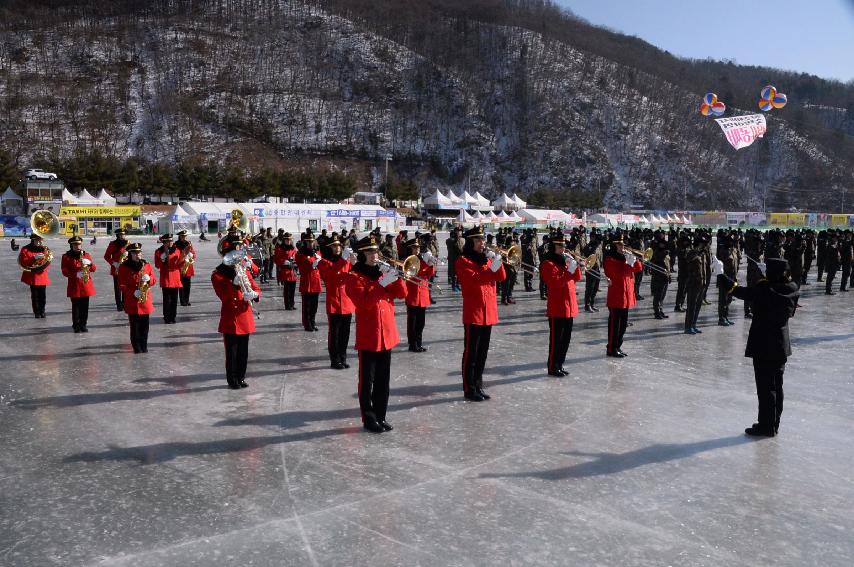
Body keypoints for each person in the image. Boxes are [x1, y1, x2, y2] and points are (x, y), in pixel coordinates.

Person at [345, 235, 407, 433]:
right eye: (370, 252)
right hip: (369, 334)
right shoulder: (354, 277)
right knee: (367, 381)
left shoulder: (381, 273)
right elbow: (363, 303)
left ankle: (381, 415)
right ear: (362, 254)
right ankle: (369, 418)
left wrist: (395, 277)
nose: (375, 255)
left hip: (387, 333)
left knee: (383, 380)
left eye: (375, 251)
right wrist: (381, 284)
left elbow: (402, 294)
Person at [729, 258, 798, 437]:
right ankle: (774, 424)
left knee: (765, 388)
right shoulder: (792, 289)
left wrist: (725, 280)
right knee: (777, 385)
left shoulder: (765, 290)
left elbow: (745, 293)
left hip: (764, 344)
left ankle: (766, 426)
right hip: (781, 344)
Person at [455, 226, 506, 401]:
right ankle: (469, 388)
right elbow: (474, 280)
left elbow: (501, 277)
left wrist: (497, 262)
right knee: (471, 353)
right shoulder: (463, 261)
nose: (482, 243)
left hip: (488, 311)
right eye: (477, 240)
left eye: (482, 239)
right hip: (474, 312)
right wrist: (490, 267)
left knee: (482, 353)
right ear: (470, 242)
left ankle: (478, 384)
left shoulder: (486, 260)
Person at [211, 234, 260, 389]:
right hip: (231, 318)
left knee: (243, 352)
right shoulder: (218, 274)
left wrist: (254, 294)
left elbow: (255, 286)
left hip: (244, 315)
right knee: (232, 352)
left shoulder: (243, 270)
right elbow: (223, 296)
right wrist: (233, 283)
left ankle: (241, 377)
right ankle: (232, 379)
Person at [539, 232, 582, 376]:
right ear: (553, 246)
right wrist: (568, 271)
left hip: (569, 306)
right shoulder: (548, 263)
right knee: (556, 340)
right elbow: (556, 283)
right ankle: (553, 366)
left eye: (564, 245)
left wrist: (575, 266)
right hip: (557, 307)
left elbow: (577, 278)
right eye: (560, 246)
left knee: (566, 339)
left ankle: (560, 364)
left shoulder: (565, 261)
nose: (563, 248)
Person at [318, 237, 355, 369]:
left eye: (339, 245)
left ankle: (343, 358)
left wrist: (355, 261)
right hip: (334, 302)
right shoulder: (324, 262)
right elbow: (330, 277)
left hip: (347, 301)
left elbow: (353, 274)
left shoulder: (346, 260)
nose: (337, 248)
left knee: (345, 333)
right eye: (334, 246)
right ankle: (335, 360)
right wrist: (343, 261)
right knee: (334, 334)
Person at [603, 235, 643, 357]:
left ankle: (618, 346)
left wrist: (634, 259)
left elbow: (638, 269)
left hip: (626, 295)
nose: (622, 247)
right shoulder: (610, 259)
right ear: (614, 246)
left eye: (622, 244)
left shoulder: (624, 257)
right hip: (616, 296)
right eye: (619, 245)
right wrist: (628, 264)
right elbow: (617, 274)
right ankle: (611, 348)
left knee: (623, 325)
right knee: (615, 325)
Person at [118, 243, 156, 353]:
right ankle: (137, 347)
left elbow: (153, 279)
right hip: (132, 300)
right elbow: (121, 284)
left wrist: (149, 279)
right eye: (135, 252)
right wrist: (132, 292)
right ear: (130, 254)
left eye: (139, 252)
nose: (138, 254)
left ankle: (144, 346)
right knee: (135, 327)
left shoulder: (146, 265)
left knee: (145, 327)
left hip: (145, 300)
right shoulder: (124, 267)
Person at [403, 238, 436, 352]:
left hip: (422, 294)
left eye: (417, 247)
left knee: (421, 322)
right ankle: (412, 344)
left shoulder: (422, 260)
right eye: (414, 247)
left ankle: (419, 342)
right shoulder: (408, 261)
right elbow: (412, 274)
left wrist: (431, 264)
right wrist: (425, 268)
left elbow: (429, 273)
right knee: (412, 322)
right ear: (410, 249)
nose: (417, 249)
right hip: (412, 294)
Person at [60, 236, 96, 332]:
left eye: (79, 244)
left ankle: (83, 324)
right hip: (74, 285)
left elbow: (94, 269)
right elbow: (64, 271)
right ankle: (76, 325)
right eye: (75, 244)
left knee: (85, 306)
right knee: (76, 306)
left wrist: (90, 264)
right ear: (71, 245)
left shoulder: (86, 255)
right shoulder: (66, 256)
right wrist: (75, 274)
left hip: (86, 284)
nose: (77, 246)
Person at [18, 233, 52, 318]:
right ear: (32, 240)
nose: (39, 242)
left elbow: (48, 261)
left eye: (40, 240)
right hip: (32, 275)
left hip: (42, 275)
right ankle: (37, 312)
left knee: (42, 295)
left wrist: (44, 267)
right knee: (35, 295)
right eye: (37, 240)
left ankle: (42, 310)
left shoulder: (45, 249)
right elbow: (23, 262)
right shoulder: (25, 249)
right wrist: (33, 258)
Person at [296, 234, 322, 331]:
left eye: (312, 241)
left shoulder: (317, 251)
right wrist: (313, 263)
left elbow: (321, 264)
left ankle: (313, 321)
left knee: (314, 306)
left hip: (315, 280)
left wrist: (319, 261)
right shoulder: (300, 253)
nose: (311, 243)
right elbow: (302, 266)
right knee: (306, 306)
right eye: (309, 242)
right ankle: (307, 324)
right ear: (305, 242)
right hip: (307, 281)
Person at [154, 234, 183, 324]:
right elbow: (157, 265)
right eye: (168, 241)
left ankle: (173, 316)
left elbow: (180, 265)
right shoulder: (158, 251)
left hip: (175, 277)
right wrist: (162, 259)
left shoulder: (177, 250)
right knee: (166, 300)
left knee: (174, 299)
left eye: (171, 241)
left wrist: (184, 260)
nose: (171, 242)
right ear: (164, 242)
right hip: (166, 278)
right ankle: (166, 317)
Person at [103, 228, 129, 311]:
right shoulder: (113, 244)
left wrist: (128, 255)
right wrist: (114, 263)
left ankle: (125, 303)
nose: (122, 236)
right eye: (120, 235)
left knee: (126, 287)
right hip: (116, 268)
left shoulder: (128, 244)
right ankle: (119, 305)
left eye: (123, 234)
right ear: (117, 235)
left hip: (126, 268)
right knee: (117, 288)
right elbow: (106, 256)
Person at [274, 232, 298, 310]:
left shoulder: (293, 248)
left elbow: (296, 257)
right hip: (285, 271)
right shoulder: (280, 248)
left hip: (292, 271)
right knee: (287, 290)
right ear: (284, 240)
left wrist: (295, 262)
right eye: (287, 240)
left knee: (293, 289)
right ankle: (287, 305)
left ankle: (292, 304)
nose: (288, 241)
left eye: (290, 240)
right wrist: (284, 261)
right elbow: (276, 259)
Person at [174, 230, 196, 307]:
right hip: (180, 266)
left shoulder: (188, 244)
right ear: (179, 236)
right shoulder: (176, 245)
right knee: (181, 285)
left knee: (188, 285)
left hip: (188, 267)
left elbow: (193, 254)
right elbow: (175, 255)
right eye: (182, 236)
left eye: (185, 236)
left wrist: (192, 255)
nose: (184, 237)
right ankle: (183, 301)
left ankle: (187, 300)